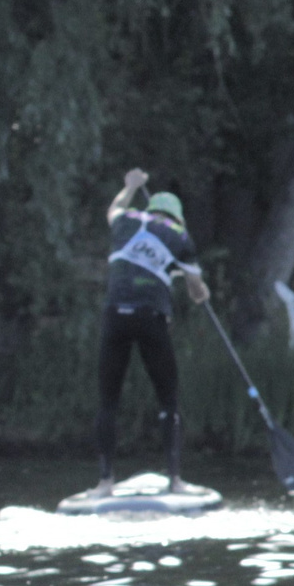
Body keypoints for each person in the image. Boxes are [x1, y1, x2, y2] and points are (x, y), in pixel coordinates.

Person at [96, 166, 208, 495]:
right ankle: (175, 482)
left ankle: (105, 483)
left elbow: (112, 208)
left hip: (115, 316)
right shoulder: (180, 235)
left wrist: (129, 185)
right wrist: (203, 293)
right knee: (168, 400)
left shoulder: (126, 221)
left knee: (108, 402)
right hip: (151, 319)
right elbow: (196, 290)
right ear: (177, 216)